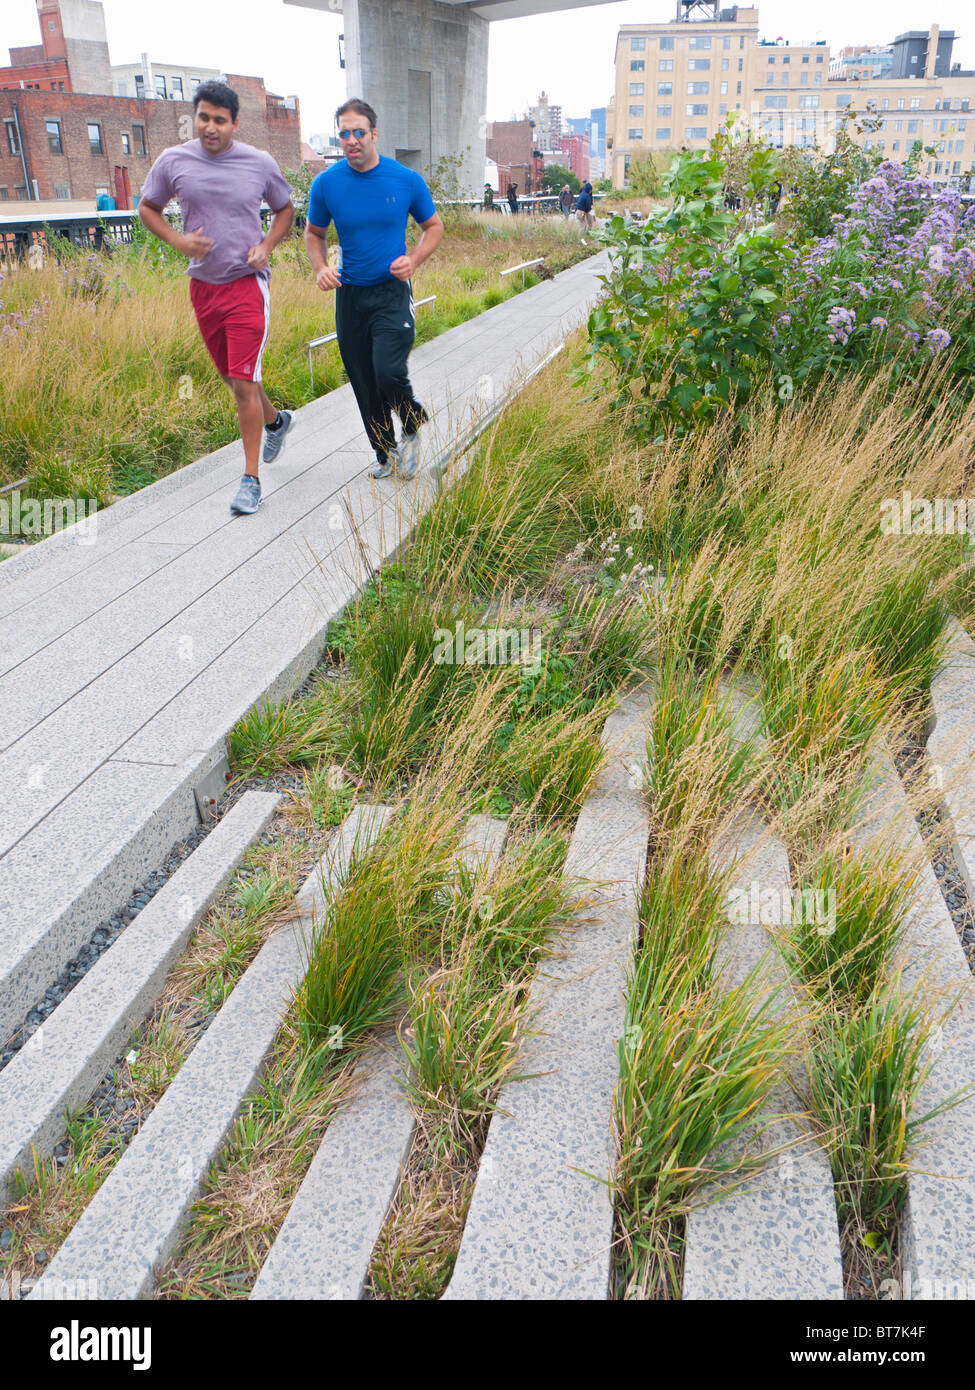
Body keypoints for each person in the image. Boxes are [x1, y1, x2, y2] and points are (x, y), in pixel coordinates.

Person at [138, 80, 296, 516]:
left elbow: (286, 208)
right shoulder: (174, 161)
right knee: (233, 378)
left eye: (219, 121)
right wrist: (179, 241)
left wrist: (266, 247)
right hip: (203, 287)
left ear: (234, 124)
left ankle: (250, 482)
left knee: (243, 382)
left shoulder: (258, 163)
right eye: (204, 117)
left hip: (247, 283)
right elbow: (147, 207)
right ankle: (276, 421)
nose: (210, 127)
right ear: (196, 117)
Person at [304, 98, 444, 481]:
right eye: (344, 133)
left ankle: (412, 426)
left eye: (358, 132)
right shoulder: (327, 184)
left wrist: (413, 260)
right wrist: (319, 267)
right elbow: (314, 233)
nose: (351, 140)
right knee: (364, 381)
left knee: (387, 371)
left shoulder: (405, 179)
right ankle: (386, 453)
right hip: (350, 296)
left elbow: (434, 227)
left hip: (391, 293)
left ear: (374, 134)